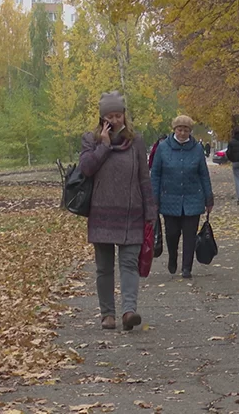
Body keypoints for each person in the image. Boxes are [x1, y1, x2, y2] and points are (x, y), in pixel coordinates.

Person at [79, 91, 156, 330]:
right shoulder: (90, 140)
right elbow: (86, 169)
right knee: (104, 267)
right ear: (102, 118)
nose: (115, 120)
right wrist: (103, 146)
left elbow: (144, 177)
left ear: (125, 116)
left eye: (118, 115)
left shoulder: (136, 141)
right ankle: (107, 315)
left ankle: (129, 312)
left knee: (129, 264)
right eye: (110, 116)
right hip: (101, 212)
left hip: (131, 213)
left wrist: (150, 210)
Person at [150, 115, 214, 278]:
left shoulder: (197, 149)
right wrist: (154, 199)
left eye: (186, 130)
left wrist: (209, 198)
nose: (183, 133)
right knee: (172, 234)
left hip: (193, 198)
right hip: (169, 198)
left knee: (190, 235)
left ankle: (187, 268)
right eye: (180, 129)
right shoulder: (163, 148)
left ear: (190, 131)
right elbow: (155, 174)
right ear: (174, 130)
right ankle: (172, 257)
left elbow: (204, 174)